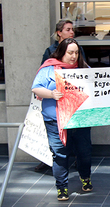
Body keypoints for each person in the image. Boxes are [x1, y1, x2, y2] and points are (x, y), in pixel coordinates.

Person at [32, 38, 93, 201]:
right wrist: (51, 94)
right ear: (62, 52)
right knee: (59, 154)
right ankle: (62, 187)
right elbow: (36, 87)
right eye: (70, 53)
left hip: (80, 119)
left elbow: (99, 84)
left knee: (84, 152)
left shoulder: (84, 68)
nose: (74, 56)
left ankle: (85, 178)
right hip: (55, 120)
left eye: (76, 52)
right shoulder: (48, 68)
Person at [35, 19, 82, 173]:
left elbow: (87, 70)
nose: (72, 32)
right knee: (57, 144)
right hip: (55, 108)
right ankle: (56, 163)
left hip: (74, 104)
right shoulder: (50, 51)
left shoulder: (78, 49)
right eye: (68, 29)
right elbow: (44, 70)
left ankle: (75, 160)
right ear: (59, 33)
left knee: (77, 139)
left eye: (72, 29)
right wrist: (48, 92)